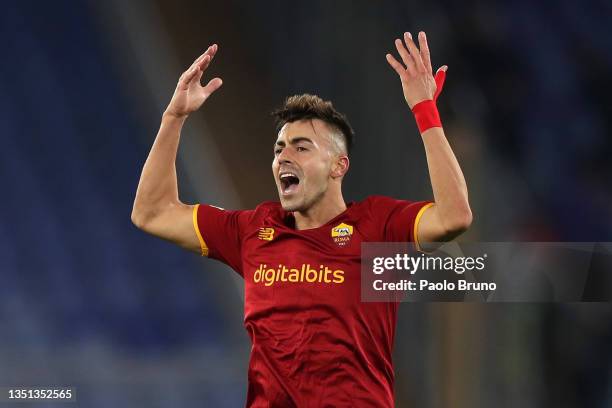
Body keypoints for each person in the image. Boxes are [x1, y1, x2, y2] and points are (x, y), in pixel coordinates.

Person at [132, 30, 471, 407]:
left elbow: (455, 215)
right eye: (279, 149)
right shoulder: (253, 231)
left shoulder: (377, 227)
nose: (284, 157)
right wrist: (174, 117)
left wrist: (425, 110)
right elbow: (152, 212)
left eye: (301, 147)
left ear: (338, 166)